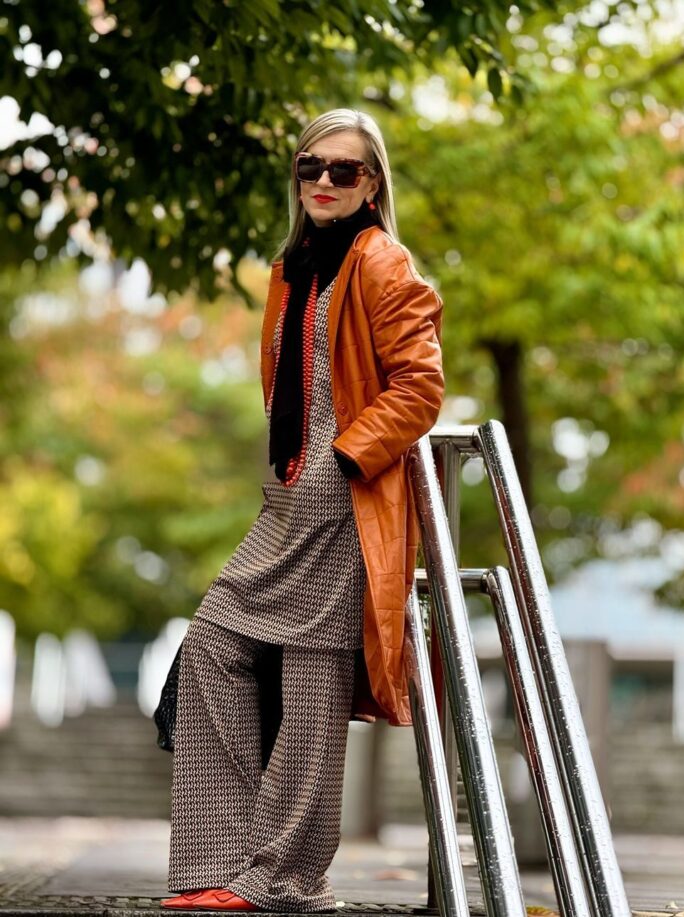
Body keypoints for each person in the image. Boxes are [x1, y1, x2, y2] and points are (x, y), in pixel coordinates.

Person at [161, 108, 444, 913]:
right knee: (214, 640)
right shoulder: (295, 269)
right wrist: (295, 470)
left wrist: (343, 460)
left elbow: (420, 387)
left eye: (343, 170)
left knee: (315, 684)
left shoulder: (383, 263)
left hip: (348, 500)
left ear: (372, 182)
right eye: (310, 166)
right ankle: (223, 862)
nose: (323, 180)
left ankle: (286, 879)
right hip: (289, 497)